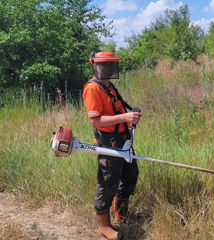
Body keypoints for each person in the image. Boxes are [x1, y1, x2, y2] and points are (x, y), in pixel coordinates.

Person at [82, 51, 142, 240]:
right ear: (95, 65)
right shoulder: (93, 88)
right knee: (108, 183)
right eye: (104, 64)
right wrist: (125, 117)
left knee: (130, 175)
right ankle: (104, 227)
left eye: (111, 65)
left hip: (123, 141)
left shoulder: (108, 85)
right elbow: (96, 121)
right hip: (109, 144)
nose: (108, 68)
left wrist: (129, 119)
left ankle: (121, 215)